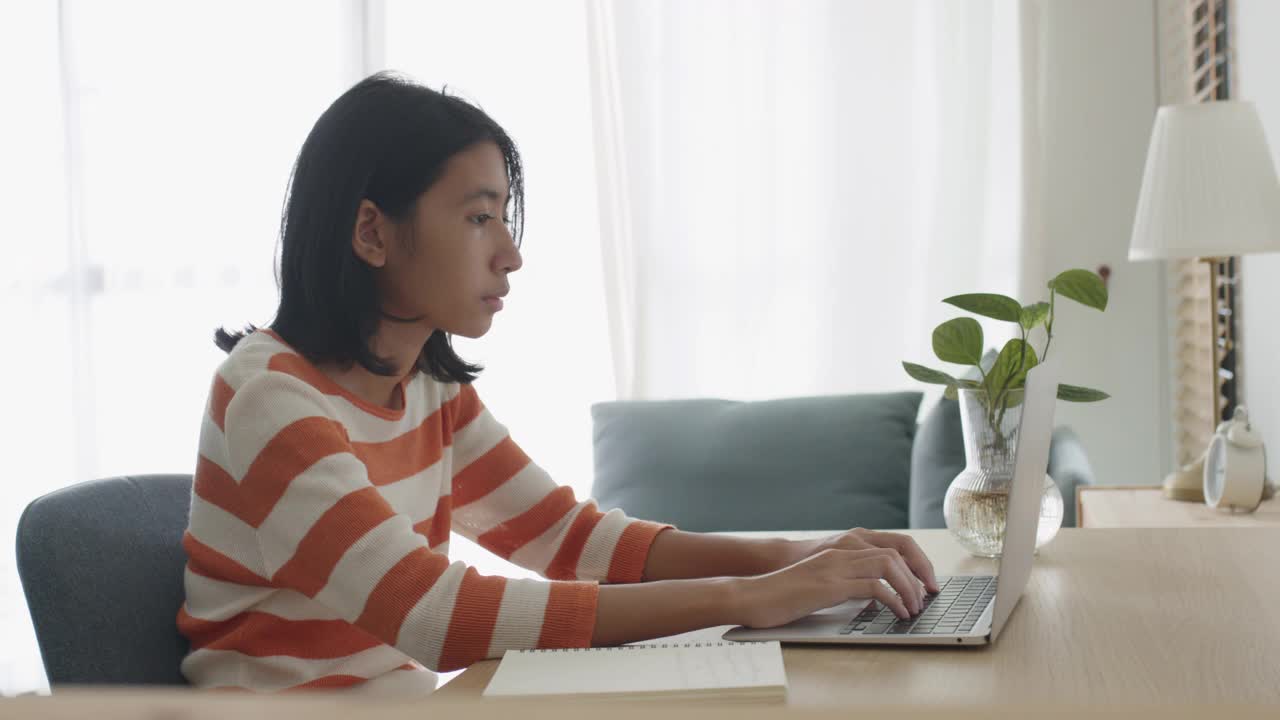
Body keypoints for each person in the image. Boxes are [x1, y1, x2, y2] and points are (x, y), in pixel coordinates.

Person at [177, 71, 938, 694]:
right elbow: (435, 617)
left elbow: (570, 540)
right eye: (479, 218)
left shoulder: (427, 387)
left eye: (504, 217)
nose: (510, 254)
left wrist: (797, 558)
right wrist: (748, 600)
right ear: (372, 232)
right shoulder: (270, 397)